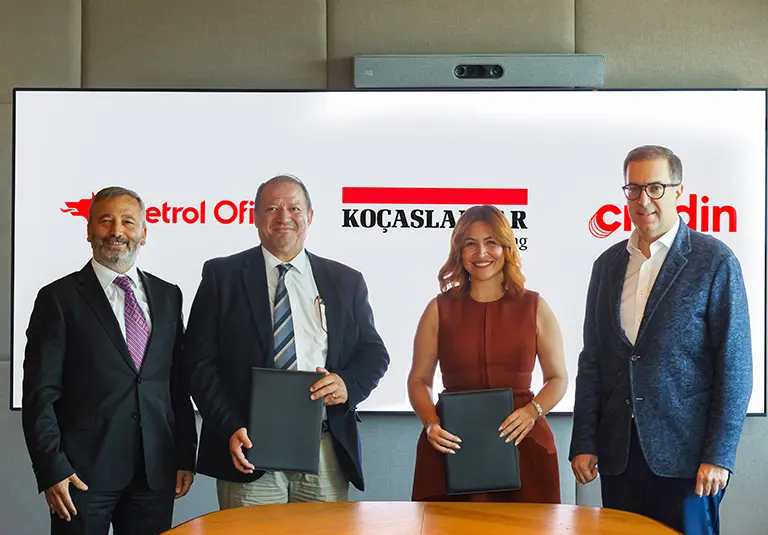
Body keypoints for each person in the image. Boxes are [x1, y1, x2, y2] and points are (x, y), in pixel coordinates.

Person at [569, 145, 753, 534]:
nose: (643, 200)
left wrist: (719, 455)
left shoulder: (714, 261)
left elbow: (735, 366)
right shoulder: (606, 266)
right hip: (619, 457)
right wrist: (584, 441)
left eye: (655, 188)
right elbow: (593, 361)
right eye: (633, 189)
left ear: (678, 191)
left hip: (688, 460)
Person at [184, 174, 390, 507]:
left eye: (294, 208)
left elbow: (373, 353)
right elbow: (198, 364)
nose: (284, 217)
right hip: (248, 447)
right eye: (272, 208)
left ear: (309, 216)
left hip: (324, 448)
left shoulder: (345, 280)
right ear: (254, 217)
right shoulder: (222, 276)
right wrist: (228, 426)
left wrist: (348, 384)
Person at [21, 186, 197, 535]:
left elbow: (177, 385)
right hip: (81, 475)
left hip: (154, 471)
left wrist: (184, 456)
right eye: (106, 221)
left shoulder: (168, 295)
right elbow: (40, 394)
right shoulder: (58, 299)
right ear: (89, 231)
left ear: (143, 233)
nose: (117, 231)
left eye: (128, 222)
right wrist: (52, 468)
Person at [408, 204, 567, 502]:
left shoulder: (535, 306)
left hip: (523, 441)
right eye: (471, 243)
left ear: (506, 248)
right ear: (459, 251)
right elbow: (418, 380)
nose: (481, 253)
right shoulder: (438, 309)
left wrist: (532, 412)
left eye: (491, 242)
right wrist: (431, 423)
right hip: (453, 445)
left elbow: (558, 378)